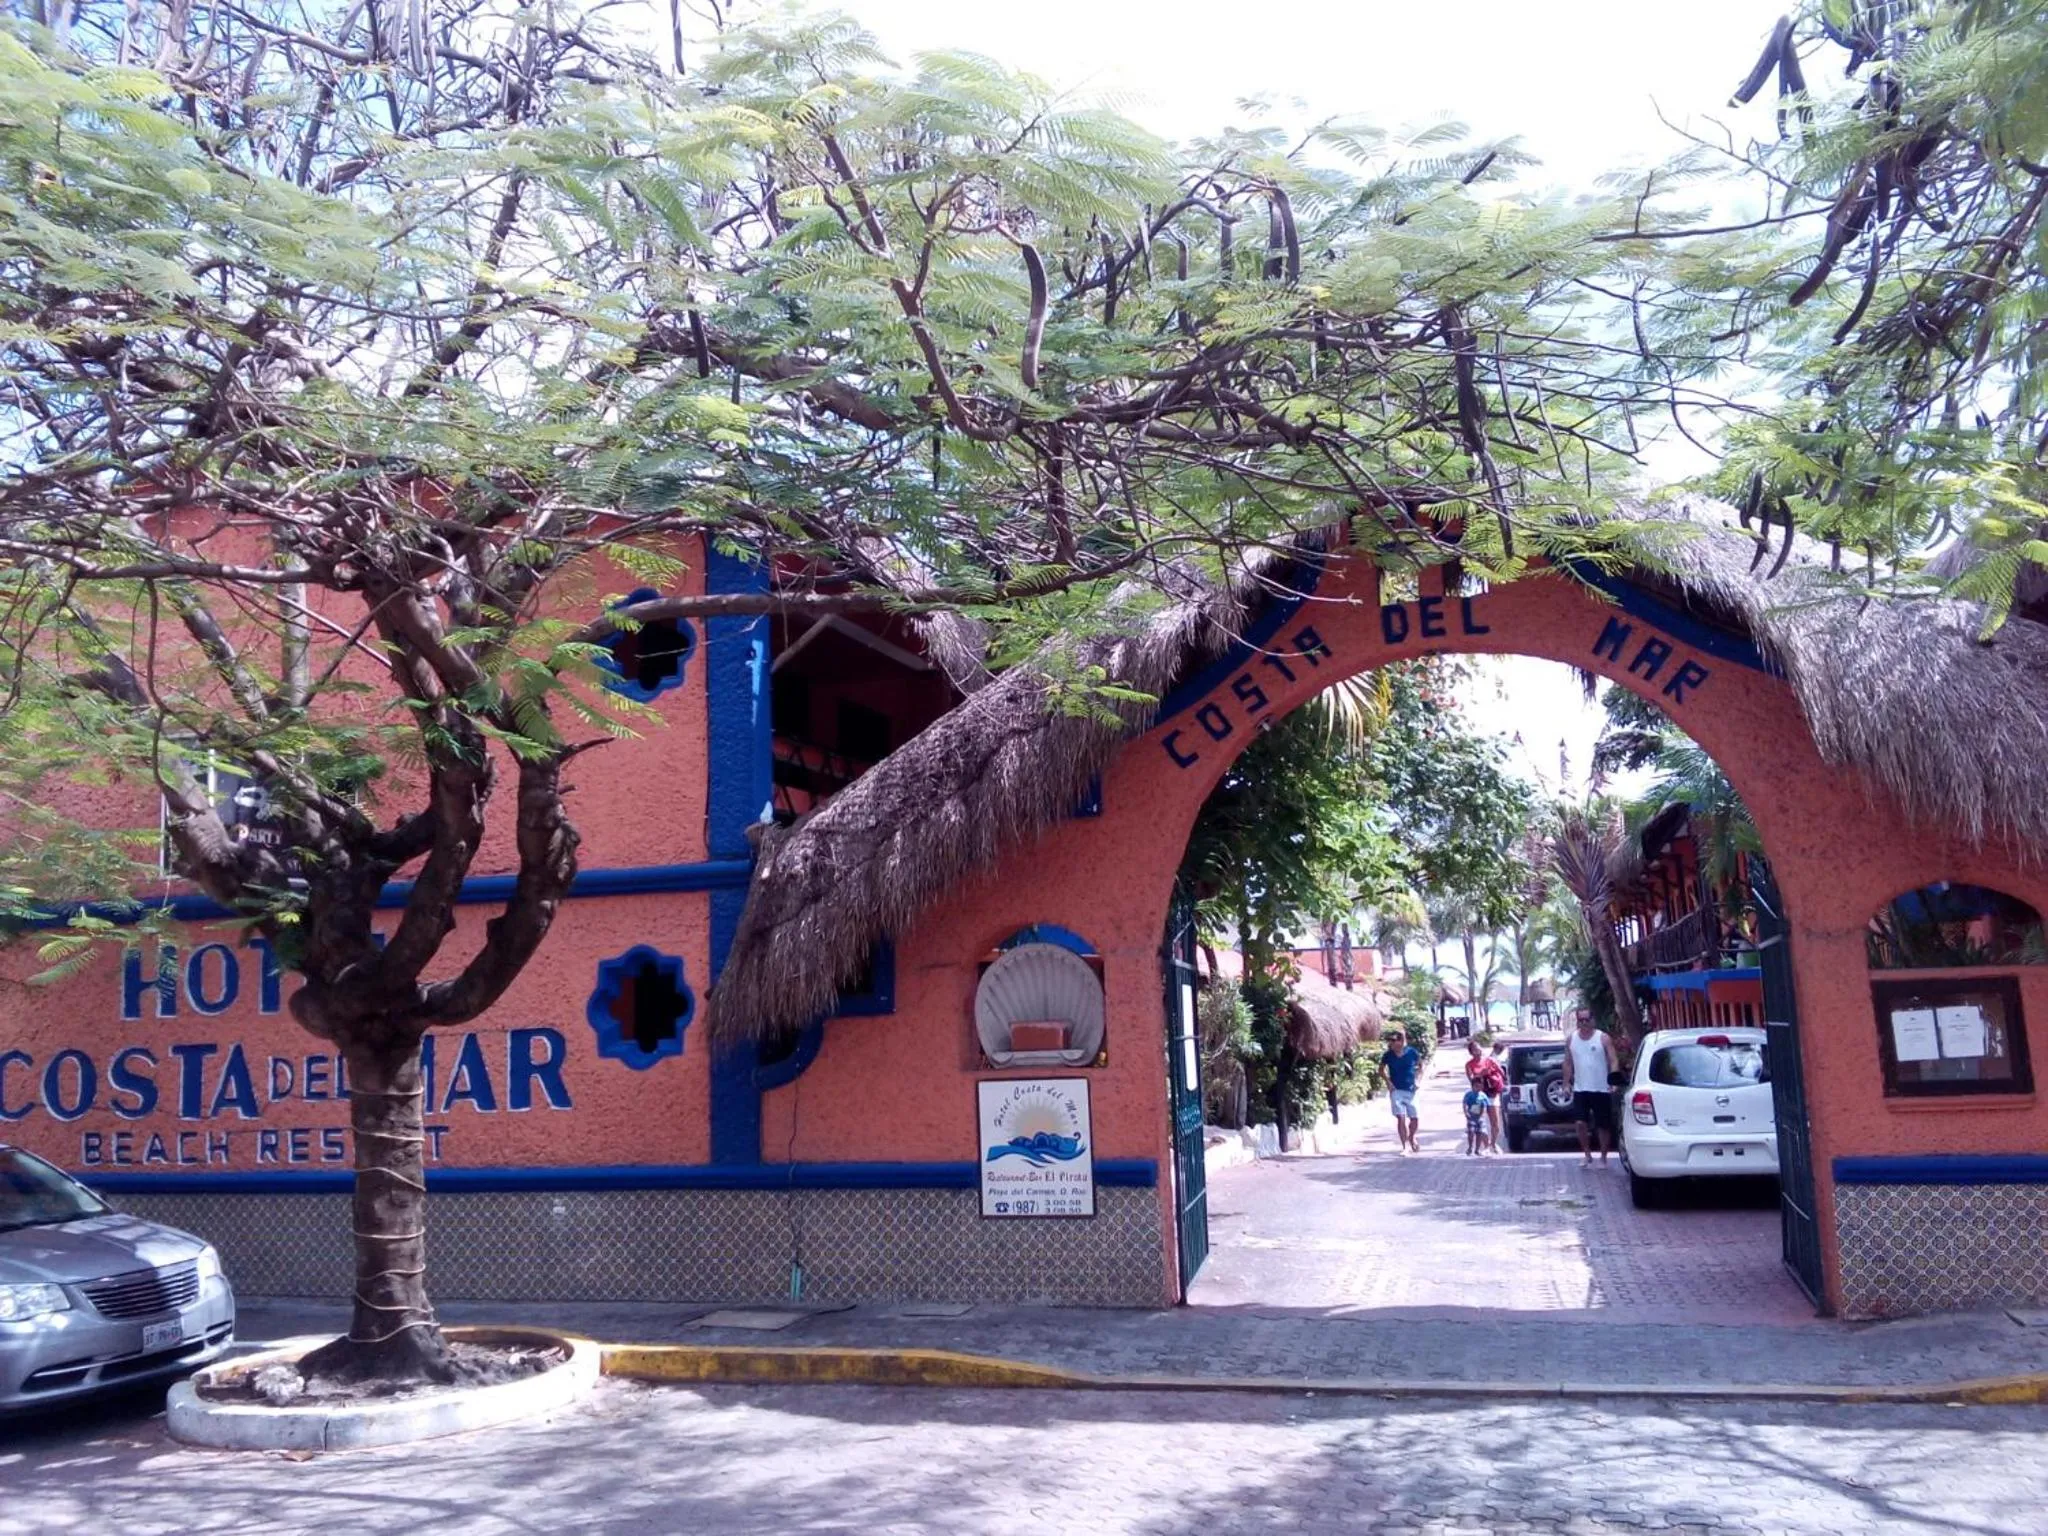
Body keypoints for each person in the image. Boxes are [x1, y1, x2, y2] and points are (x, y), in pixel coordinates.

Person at [1560, 1008, 1620, 1167]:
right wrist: (1566, 1083)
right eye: (1581, 1020)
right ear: (1577, 1021)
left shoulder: (1603, 1038)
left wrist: (1613, 1080)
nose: (1584, 1023)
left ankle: (1603, 1157)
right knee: (1580, 1123)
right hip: (1581, 1089)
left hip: (1601, 1088)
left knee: (1603, 1125)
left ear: (1593, 1020)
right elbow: (1567, 1062)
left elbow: (1613, 1060)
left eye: (1587, 1020)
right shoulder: (1571, 1039)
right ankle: (1587, 1154)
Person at [1377, 1028, 1422, 1153]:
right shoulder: (1388, 1055)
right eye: (1390, 1041)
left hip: (1411, 1090)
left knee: (1415, 1118)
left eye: (1393, 1041)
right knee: (1400, 1117)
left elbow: (1420, 1066)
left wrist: (1418, 1080)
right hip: (1396, 1090)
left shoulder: (1412, 1052)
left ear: (1401, 1041)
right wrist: (1388, 1082)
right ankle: (1404, 1146)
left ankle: (1412, 1137)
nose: (1391, 1044)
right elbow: (1381, 1070)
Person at [1463, 1038, 1507, 1153]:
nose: (1479, 1051)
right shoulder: (1469, 1064)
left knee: (1495, 1122)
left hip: (1492, 1092)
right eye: (1475, 1050)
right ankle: (1486, 1145)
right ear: (1471, 1052)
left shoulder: (1489, 1060)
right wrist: (1481, 1074)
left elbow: (1501, 1073)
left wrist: (1496, 1073)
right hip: (1479, 1096)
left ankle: (1493, 1143)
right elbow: (1471, 1080)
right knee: (1479, 1122)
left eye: (1479, 1048)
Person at [1461, 1084, 1489, 1156]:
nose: (1478, 1088)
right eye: (1476, 1086)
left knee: (1479, 1133)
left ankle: (1477, 1149)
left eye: (1480, 1086)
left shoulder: (1483, 1095)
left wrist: (1482, 1115)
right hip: (1471, 1116)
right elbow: (1464, 1103)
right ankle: (1470, 1147)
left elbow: (1485, 1105)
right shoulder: (1469, 1094)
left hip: (1480, 1117)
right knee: (1471, 1132)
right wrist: (1466, 1113)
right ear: (1473, 1086)